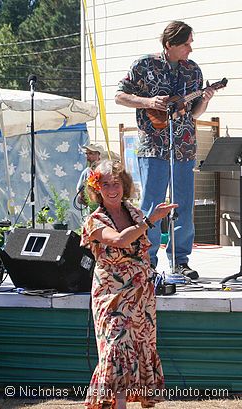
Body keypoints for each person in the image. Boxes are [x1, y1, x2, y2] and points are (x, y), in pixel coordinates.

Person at [115, 21, 215, 281]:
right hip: (153, 145)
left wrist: (203, 100)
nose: (190, 49)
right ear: (169, 44)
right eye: (186, 44)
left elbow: (194, 113)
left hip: (183, 145)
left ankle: (180, 260)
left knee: (183, 204)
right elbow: (120, 96)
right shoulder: (144, 65)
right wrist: (148, 101)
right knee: (152, 204)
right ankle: (146, 261)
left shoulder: (193, 71)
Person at [81, 160, 177, 409]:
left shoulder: (134, 213)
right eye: (105, 185)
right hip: (111, 293)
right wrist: (151, 221)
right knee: (115, 345)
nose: (112, 189)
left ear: (124, 186)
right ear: (97, 189)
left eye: (116, 184)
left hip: (140, 293)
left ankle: (132, 401)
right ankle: (116, 403)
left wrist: (147, 221)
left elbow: (140, 245)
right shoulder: (94, 221)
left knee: (141, 344)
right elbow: (121, 241)